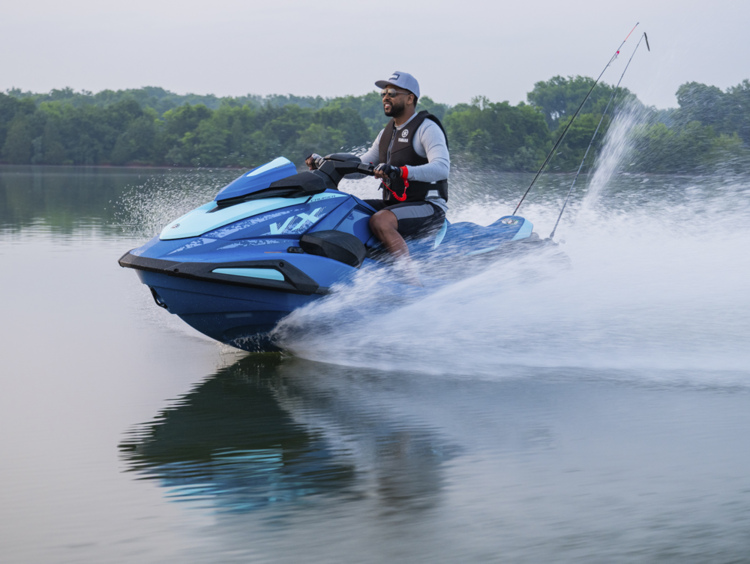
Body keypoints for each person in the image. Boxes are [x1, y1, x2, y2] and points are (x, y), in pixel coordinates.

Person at [306, 71, 449, 278]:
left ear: (410, 98)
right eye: (383, 93)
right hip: (395, 204)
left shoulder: (427, 128)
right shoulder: (385, 134)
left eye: (392, 93)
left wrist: (401, 171)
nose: (385, 97)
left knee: (380, 221)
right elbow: (361, 168)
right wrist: (325, 165)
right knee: (346, 209)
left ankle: (410, 279)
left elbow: (442, 168)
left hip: (428, 207)